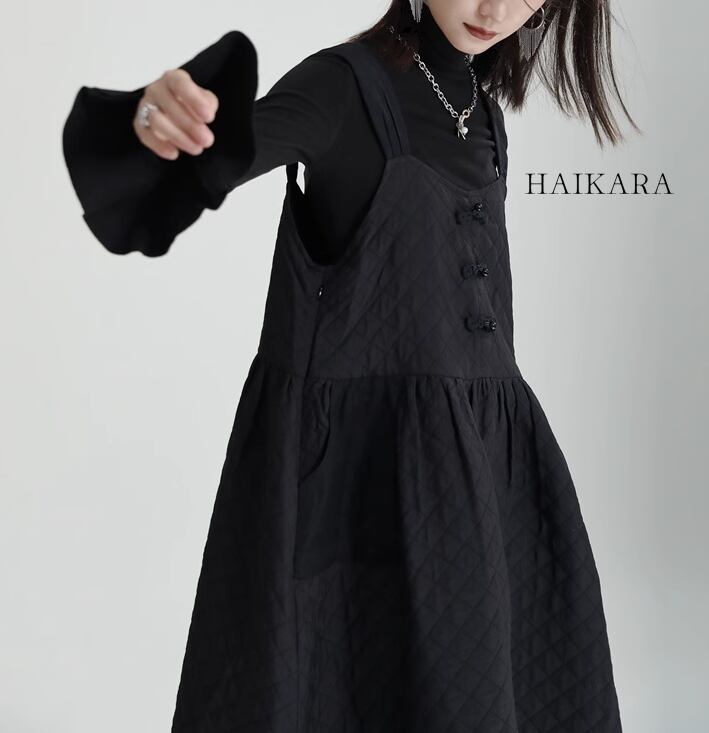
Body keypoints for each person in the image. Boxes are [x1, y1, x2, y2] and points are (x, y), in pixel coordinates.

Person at [62, 1, 635, 730]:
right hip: (357, 496)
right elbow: (215, 153)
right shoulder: (342, 88)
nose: (496, 10)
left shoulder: (482, 113)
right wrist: (154, 121)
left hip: (488, 490)